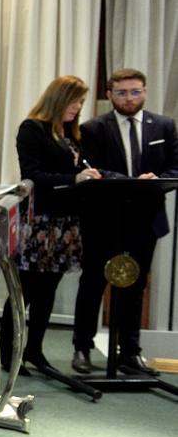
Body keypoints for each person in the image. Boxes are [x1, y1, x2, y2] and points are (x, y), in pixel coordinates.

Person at [70, 68, 178, 375]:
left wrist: (156, 179)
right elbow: (95, 169)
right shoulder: (92, 128)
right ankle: (82, 347)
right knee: (93, 283)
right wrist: (133, 181)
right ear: (110, 95)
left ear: (144, 91)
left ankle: (130, 352)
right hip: (105, 219)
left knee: (136, 284)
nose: (129, 98)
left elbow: (175, 167)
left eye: (135, 92)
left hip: (147, 221)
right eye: (122, 93)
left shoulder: (164, 126)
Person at [0, 75, 99, 374]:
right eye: (74, 101)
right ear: (58, 99)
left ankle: (35, 350)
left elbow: (81, 168)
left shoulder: (70, 133)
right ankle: (8, 354)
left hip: (65, 223)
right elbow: (33, 175)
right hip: (39, 223)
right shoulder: (33, 129)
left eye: (81, 102)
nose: (78, 107)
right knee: (25, 291)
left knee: (48, 291)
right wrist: (74, 179)